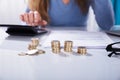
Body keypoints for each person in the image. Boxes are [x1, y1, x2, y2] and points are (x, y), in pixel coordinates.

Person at [20, 0, 114, 30]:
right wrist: (33, 24)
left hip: (81, 44)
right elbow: (26, 23)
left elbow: (107, 25)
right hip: (47, 46)